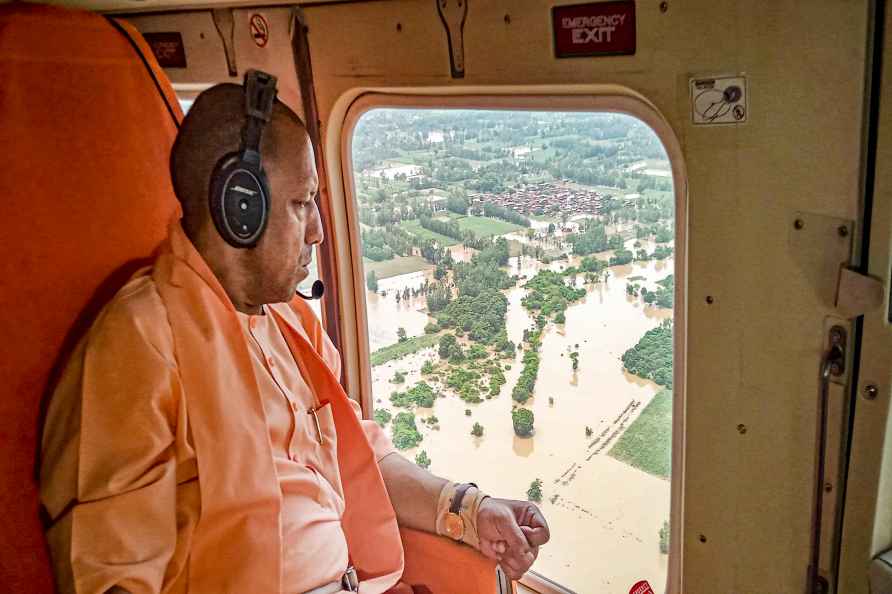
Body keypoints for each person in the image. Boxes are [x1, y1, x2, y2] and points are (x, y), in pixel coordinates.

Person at [39, 74, 549, 594]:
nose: (318, 230)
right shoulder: (140, 342)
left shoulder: (291, 321)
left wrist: (467, 509)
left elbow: (360, 455)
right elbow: (110, 578)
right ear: (241, 209)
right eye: (302, 202)